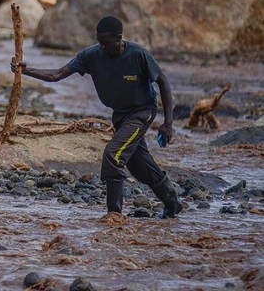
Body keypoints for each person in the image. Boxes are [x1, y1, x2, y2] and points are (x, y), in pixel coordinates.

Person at [10, 16, 183, 218]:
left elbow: (163, 83)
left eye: (106, 43)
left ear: (119, 38)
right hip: (120, 115)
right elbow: (56, 75)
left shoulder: (138, 55)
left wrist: (168, 123)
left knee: (113, 154)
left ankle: (114, 213)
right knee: (138, 166)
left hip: (142, 112)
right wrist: (25, 70)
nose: (101, 46)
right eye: (98, 41)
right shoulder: (90, 55)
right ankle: (173, 203)